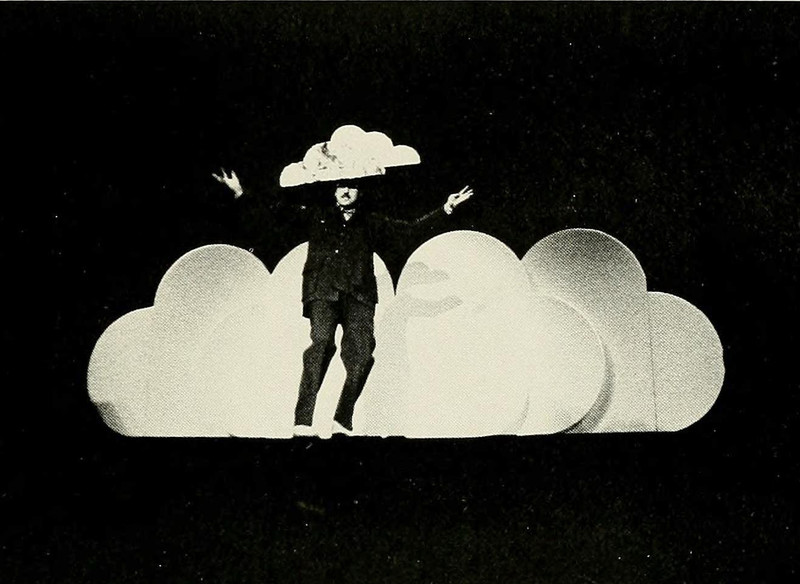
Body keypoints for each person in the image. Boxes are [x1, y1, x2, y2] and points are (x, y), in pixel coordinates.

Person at [213, 168, 474, 435]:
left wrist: (446, 208)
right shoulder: (318, 216)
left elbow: (409, 231)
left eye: (351, 186)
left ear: (360, 191)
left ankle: (342, 420)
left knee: (362, 356)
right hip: (323, 292)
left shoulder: (370, 221)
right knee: (321, 345)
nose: (346, 191)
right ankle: (303, 421)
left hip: (359, 296)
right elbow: (275, 212)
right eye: (341, 186)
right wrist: (241, 193)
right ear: (334, 190)